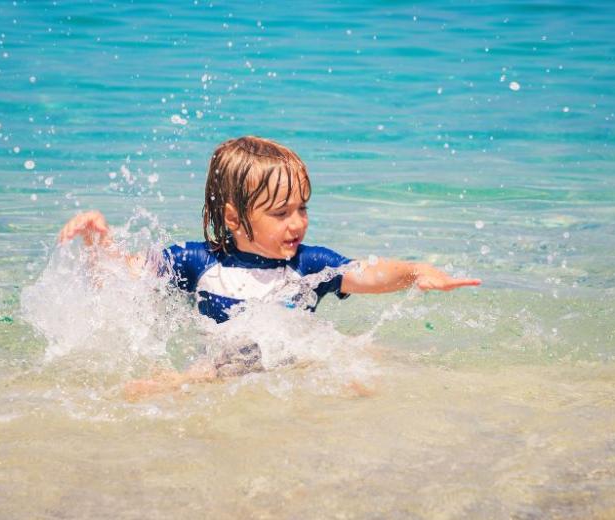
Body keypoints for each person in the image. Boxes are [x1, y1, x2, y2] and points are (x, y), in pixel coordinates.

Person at [58, 136, 480, 397]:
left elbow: (368, 272)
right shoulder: (196, 261)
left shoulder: (309, 264)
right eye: (281, 213)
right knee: (206, 373)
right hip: (220, 367)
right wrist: (98, 242)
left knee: (343, 357)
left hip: (293, 359)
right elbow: (117, 280)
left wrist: (415, 270)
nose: (297, 223)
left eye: (302, 208)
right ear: (233, 219)